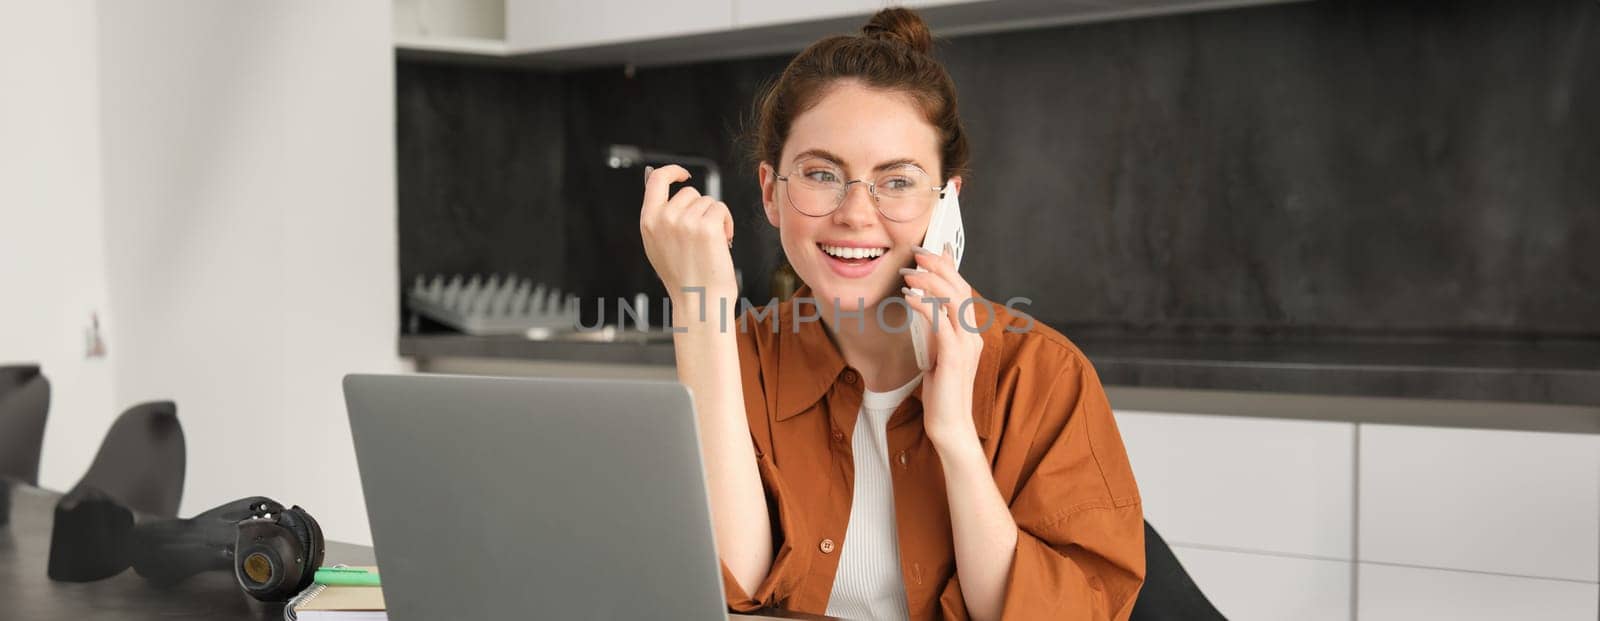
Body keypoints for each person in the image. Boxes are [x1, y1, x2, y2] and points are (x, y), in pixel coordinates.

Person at [638, 7, 1144, 620]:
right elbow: (728, 593)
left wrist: (955, 435)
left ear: (946, 203)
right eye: (823, 174)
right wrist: (701, 312)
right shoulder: (737, 354)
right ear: (771, 192)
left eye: (897, 181)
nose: (856, 213)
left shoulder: (1041, 375)